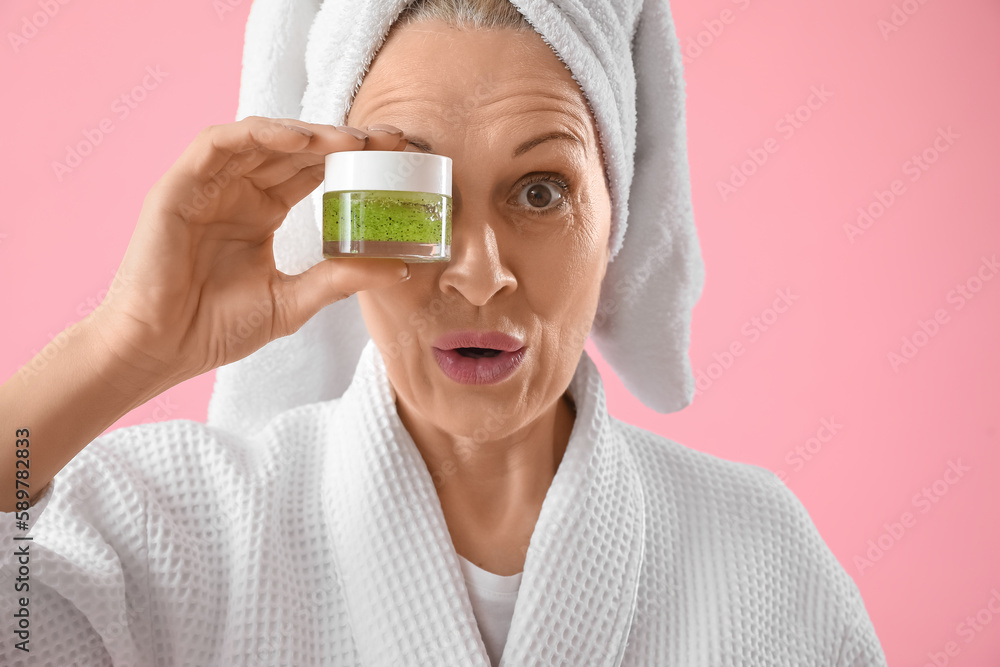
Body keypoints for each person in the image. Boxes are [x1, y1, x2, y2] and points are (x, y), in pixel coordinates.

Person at [1, 0, 888, 665]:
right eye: (410, 197)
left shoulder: (757, 554)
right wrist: (126, 345)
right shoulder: (174, 531)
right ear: (336, 212)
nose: (478, 271)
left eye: (540, 191)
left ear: (617, 221)